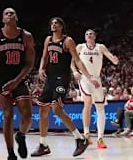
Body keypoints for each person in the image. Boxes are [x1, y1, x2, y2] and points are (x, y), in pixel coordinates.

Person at [31, 17, 91, 157]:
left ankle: (80, 138)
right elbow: (44, 57)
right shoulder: (48, 40)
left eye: (56, 23)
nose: (53, 25)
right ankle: (43, 144)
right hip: (50, 78)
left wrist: (87, 76)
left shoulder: (68, 41)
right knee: (43, 109)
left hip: (62, 78)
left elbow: (77, 60)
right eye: (51, 23)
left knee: (56, 108)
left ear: (62, 26)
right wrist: (40, 69)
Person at [0, 8, 36, 160]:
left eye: (12, 13)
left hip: (18, 78)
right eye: (6, 13)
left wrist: (17, 80)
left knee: (27, 115)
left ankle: (21, 136)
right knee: (8, 115)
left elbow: (29, 63)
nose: (9, 15)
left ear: (17, 17)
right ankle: (10, 153)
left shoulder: (26, 36)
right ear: (3, 19)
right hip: (1, 79)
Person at [72, 29, 118, 149]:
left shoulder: (100, 47)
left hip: (97, 79)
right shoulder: (80, 47)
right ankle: (86, 134)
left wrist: (114, 59)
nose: (89, 35)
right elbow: (71, 62)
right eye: (86, 34)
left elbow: (109, 55)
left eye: (91, 34)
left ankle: (100, 138)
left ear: (95, 36)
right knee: (87, 103)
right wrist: (75, 71)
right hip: (85, 79)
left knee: (100, 108)